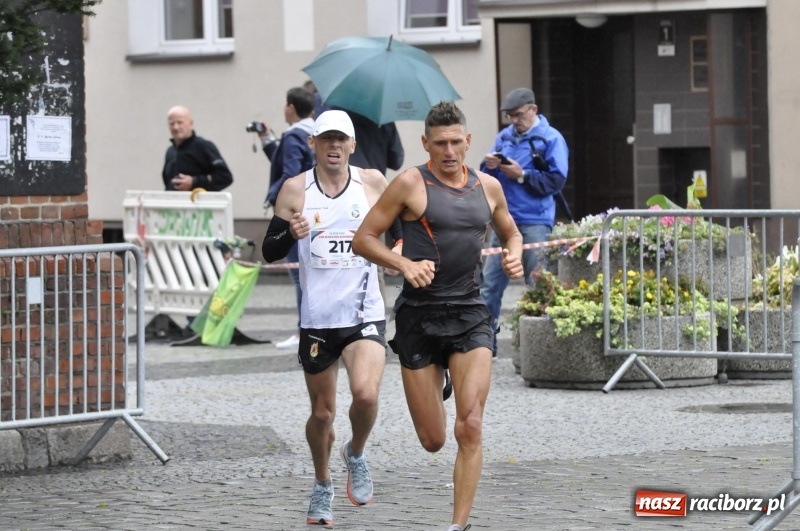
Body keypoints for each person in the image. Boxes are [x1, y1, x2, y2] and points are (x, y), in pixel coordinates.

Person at [351, 101, 523, 531]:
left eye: (455, 142)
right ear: (425, 143)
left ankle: (457, 525)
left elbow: (512, 231)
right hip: (419, 319)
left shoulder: (488, 187)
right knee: (433, 440)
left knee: (471, 425)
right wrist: (405, 265)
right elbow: (363, 239)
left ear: (468, 141)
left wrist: (514, 255)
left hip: (469, 313)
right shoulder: (409, 183)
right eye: (439, 143)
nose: (448, 151)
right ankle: (441, 377)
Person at [261, 110, 389, 526]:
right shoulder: (295, 189)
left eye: (342, 140)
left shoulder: (372, 183)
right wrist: (290, 234)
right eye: (326, 140)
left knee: (366, 395)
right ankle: (322, 484)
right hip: (318, 318)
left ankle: (355, 453)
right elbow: (268, 249)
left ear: (352, 146)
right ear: (313, 144)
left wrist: (399, 252)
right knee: (322, 414)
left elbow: (406, 223)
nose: (334, 147)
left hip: (363, 311)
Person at [480, 87, 569, 356]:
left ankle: (542, 349)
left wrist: (522, 176)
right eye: (509, 116)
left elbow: (557, 180)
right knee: (489, 285)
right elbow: (486, 178)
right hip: (503, 222)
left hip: (534, 222)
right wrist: (488, 166)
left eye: (518, 115)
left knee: (537, 284)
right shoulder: (504, 137)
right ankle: (485, 347)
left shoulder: (551, 138)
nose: (513, 121)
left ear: (534, 110)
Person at [257, 87, 316, 349]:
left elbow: (290, 172)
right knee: (309, 272)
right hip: (314, 208)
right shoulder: (313, 133)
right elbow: (284, 162)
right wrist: (267, 139)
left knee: (297, 275)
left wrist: (272, 196)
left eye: (285, 104)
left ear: (291, 107)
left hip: (295, 212)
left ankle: (303, 329)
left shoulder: (293, 135)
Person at [162, 105, 233, 192]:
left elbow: (225, 177)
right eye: (172, 123)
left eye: (180, 122)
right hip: (174, 203)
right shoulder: (170, 152)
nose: (175, 127)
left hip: (199, 204)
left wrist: (194, 182)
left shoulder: (203, 146)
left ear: (191, 124)